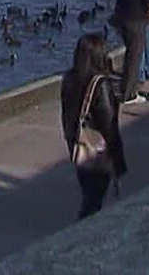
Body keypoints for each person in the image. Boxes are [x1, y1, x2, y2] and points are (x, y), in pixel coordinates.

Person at [61, 33, 127, 218]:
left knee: (88, 193)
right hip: (97, 149)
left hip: (78, 144)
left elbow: (66, 114)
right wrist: (119, 163)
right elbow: (109, 125)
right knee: (93, 200)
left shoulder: (69, 79)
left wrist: (71, 140)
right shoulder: (101, 84)